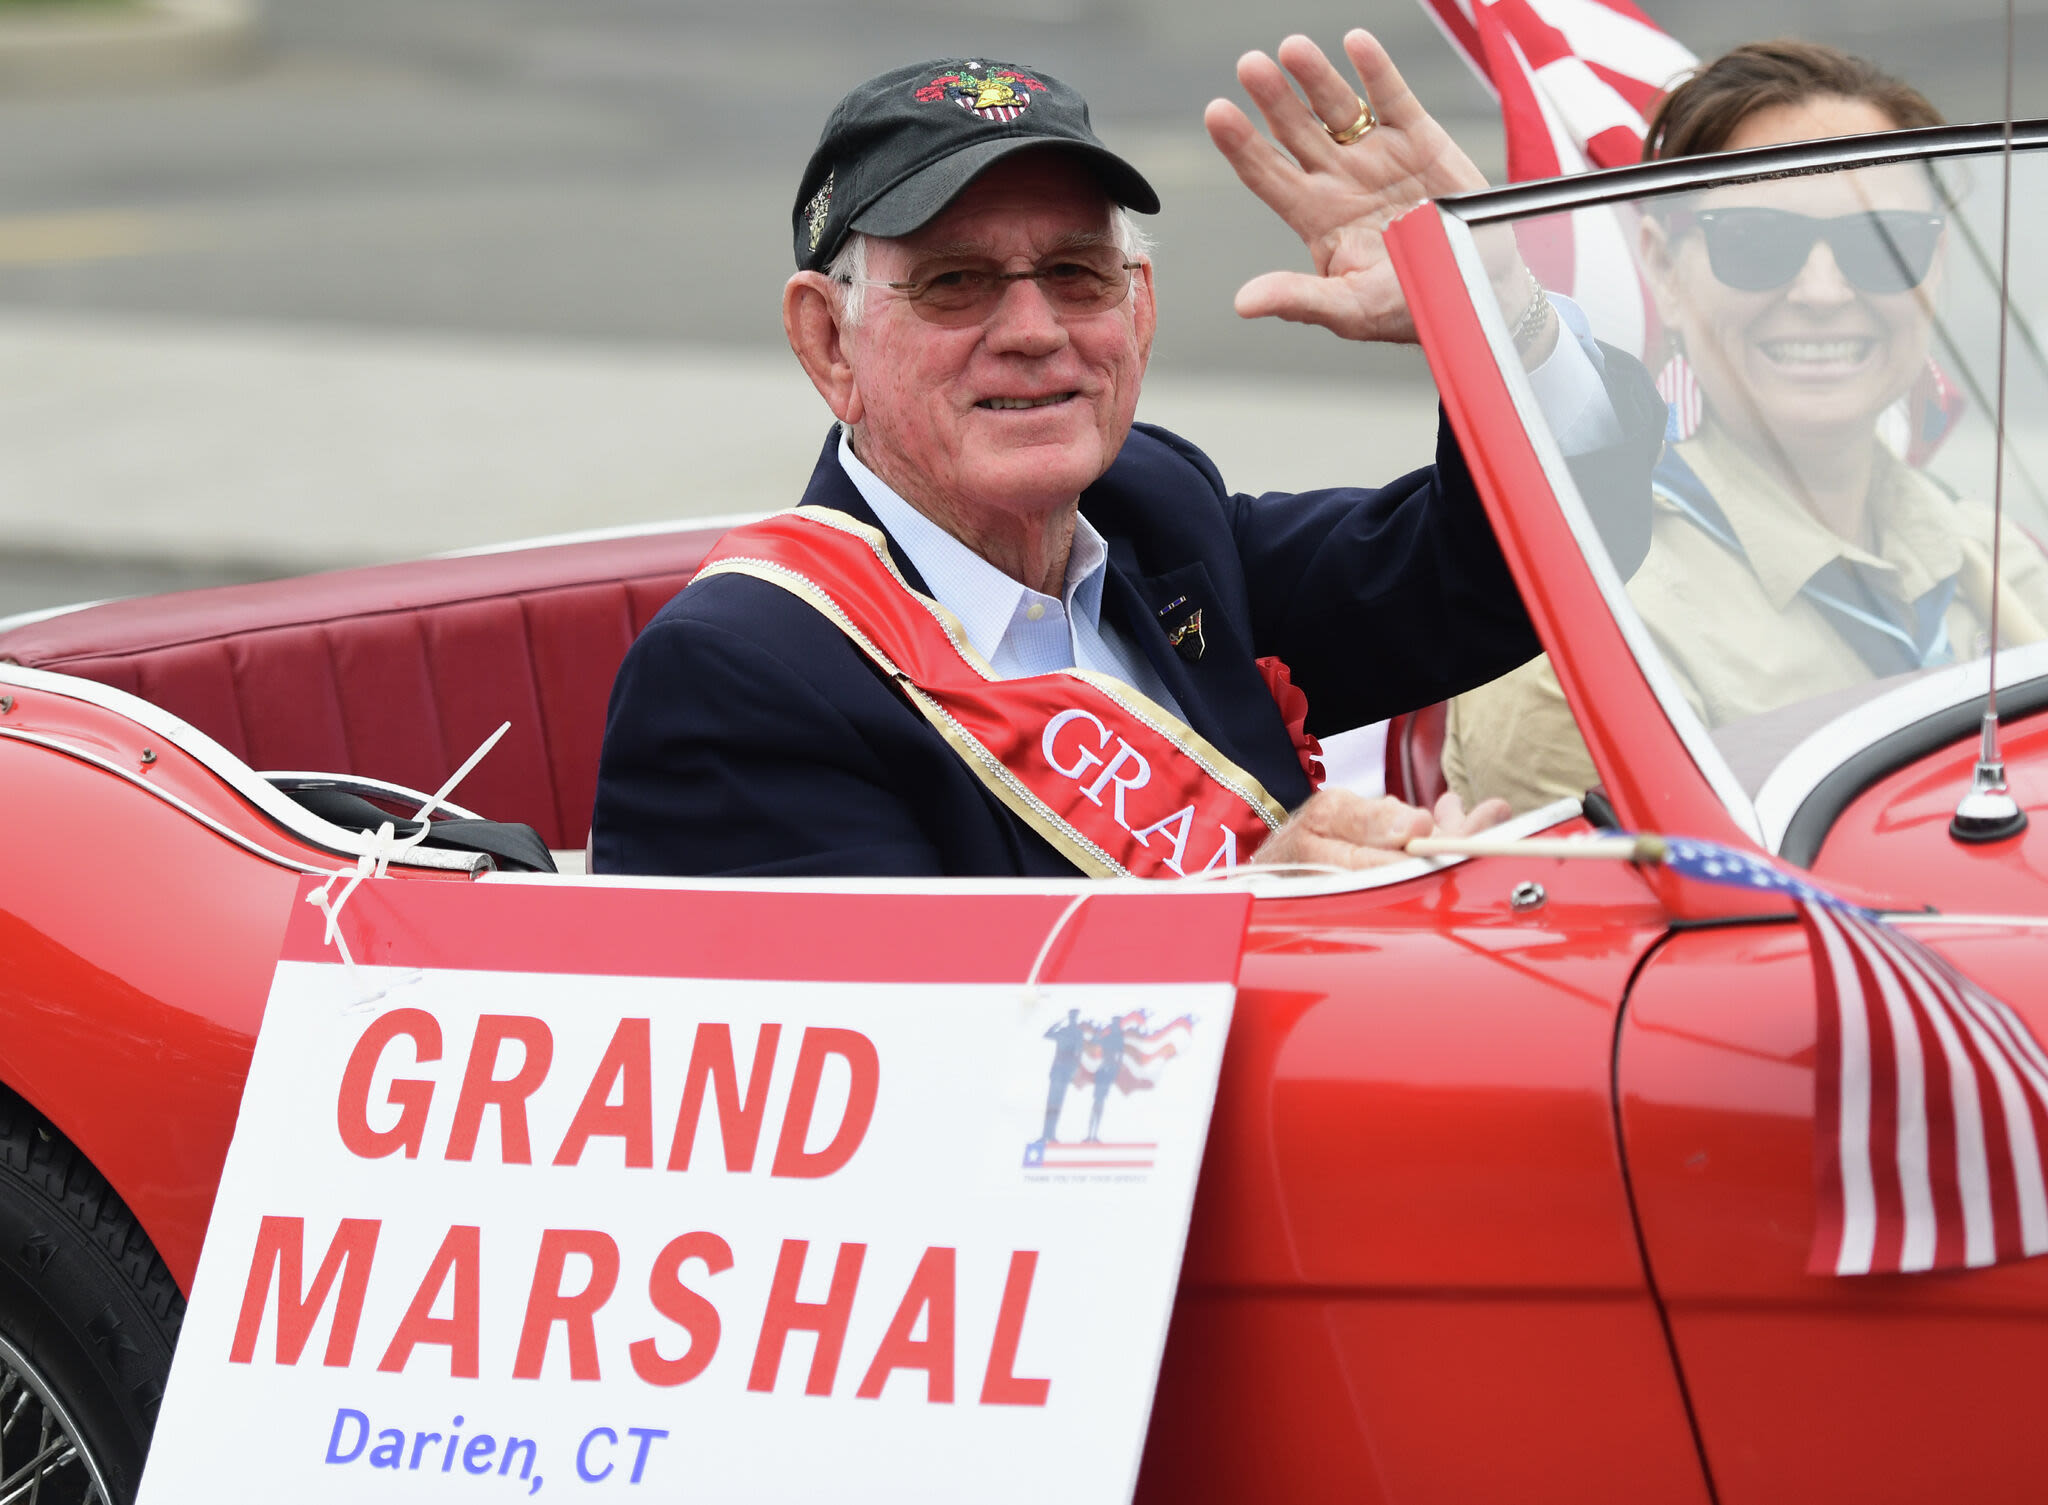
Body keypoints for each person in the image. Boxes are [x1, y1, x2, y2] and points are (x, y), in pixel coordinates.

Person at [592, 37, 1664, 879]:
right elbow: (879, 1084)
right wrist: (1250, 913)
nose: (1031, 327)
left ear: (1137, 312)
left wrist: (1495, 309)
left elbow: (1514, 566)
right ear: (829, 343)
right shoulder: (744, 676)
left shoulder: (1158, 512)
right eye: (953, 283)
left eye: (1076, 272)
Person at [1442, 41, 2048, 814]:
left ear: (1935, 267)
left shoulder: (2008, 560)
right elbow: (1620, 922)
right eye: (1757, 243)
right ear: (1663, 267)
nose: (1823, 291)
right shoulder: (1586, 619)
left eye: (1880, 244)